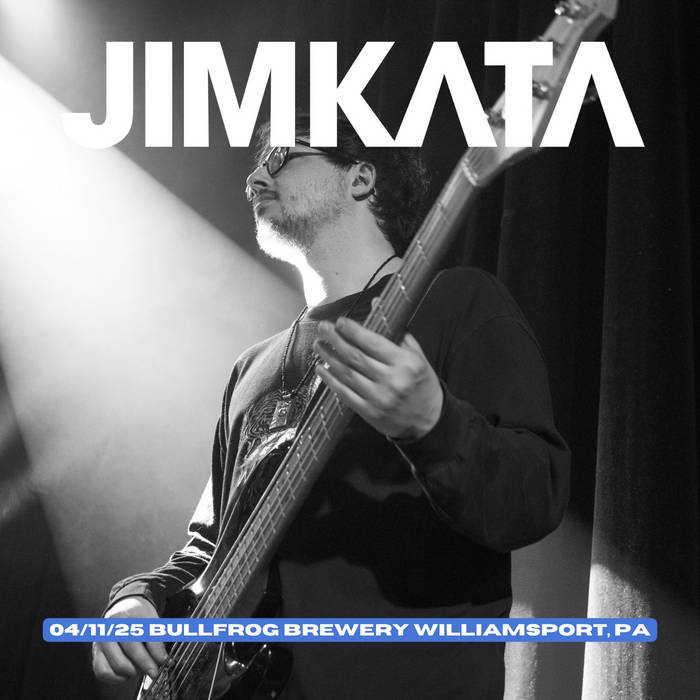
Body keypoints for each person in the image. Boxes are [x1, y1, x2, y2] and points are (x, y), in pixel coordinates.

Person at [92, 116, 570, 699]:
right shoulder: (250, 368)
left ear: (360, 177)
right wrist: (138, 597)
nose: (254, 178)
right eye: (257, 164)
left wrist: (434, 426)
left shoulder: (457, 302)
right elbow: (214, 546)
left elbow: (535, 498)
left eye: (280, 157)